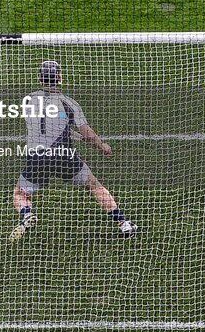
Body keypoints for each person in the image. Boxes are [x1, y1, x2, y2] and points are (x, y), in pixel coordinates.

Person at [9, 60, 137, 242]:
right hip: (65, 158)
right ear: (60, 78)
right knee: (94, 186)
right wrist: (102, 146)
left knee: (20, 194)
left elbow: (48, 125)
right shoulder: (70, 104)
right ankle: (123, 224)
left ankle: (27, 213)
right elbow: (87, 132)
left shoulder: (28, 100)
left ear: (40, 79)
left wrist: (72, 132)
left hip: (37, 158)